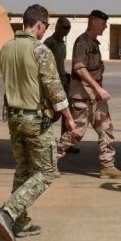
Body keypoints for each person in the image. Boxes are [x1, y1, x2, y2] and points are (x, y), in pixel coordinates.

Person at [0, 4, 76, 241]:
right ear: (39, 24)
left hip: (14, 118)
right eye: (45, 26)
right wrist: (69, 117)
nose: (44, 31)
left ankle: (18, 221)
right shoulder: (40, 51)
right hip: (35, 118)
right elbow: (54, 88)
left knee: (23, 169)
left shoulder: (5, 49)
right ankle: (8, 211)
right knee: (46, 172)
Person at [56, 10, 121, 179]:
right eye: (103, 23)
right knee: (76, 133)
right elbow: (79, 68)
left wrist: (97, 91)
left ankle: (107, 166)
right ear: (93, 22)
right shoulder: (82, 43)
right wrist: (98, 88)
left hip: (96, 98)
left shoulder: (94, 43)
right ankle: (49, 162)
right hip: (83, 96)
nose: (105, 27)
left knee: (106, 129)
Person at [43, 16, 78, 155]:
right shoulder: (49, 43)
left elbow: (61, 64)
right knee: (54, 113)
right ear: (57, 26)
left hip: (63, 80)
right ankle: (43, 137)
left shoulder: (62, 44)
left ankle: (66, 143)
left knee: (68, 112)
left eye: (69, 28)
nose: (67, 31)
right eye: (64, 27)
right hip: (53, 82)